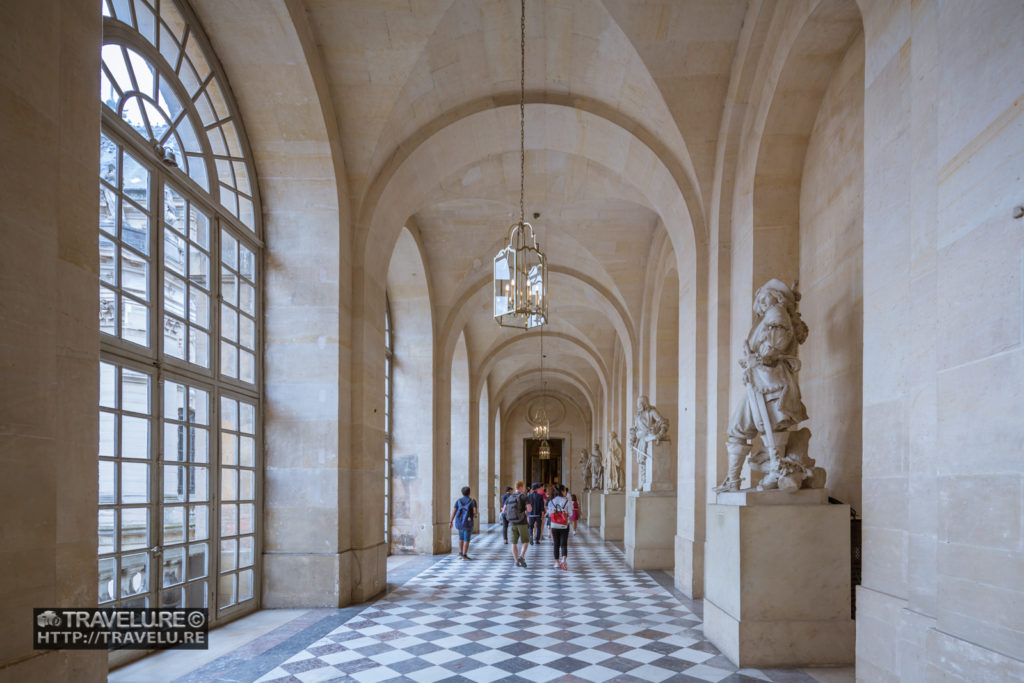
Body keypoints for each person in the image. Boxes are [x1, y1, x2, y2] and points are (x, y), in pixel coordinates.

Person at [713, 279, 810, 492]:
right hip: (758, 381)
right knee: (738, 428)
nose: (760, 301)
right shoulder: (768, 315)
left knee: (773, 425)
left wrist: (756, 359)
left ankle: (777, 469)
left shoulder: (777, 313)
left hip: (771, 382)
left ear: (776, 296)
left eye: (764, 296)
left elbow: (775, 346)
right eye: (760, 298)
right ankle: (733, 480)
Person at [628, 394, 670, 491]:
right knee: (642, 463)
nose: (639, 405)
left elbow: (663, 422)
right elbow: (634, 429)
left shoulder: (652, 412)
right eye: (638, 403)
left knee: (646, 461)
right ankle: (643, 482)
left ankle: (646, 482)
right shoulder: (637, 415)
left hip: (648, 438)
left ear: (644, 403)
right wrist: (631, 441)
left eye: (640, 403)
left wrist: (659, 434)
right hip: (641, 440)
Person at [502, 480, 531, 567]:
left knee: (513, 543)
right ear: (521, 487)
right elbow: (529, 509)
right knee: (525, 541)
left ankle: (516, 561)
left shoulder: (509, 497)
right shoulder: (524, 497)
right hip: (522, 522)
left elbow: (503, 511)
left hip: (512, 523)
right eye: (524, 487)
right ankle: (521, 556)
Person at [449, 486, 478, 560]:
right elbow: (475, 512)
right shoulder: (472, 500)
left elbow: (454, 512)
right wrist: (474, 515)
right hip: (468, 522)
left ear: (462, 493)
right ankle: (464, 555)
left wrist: (451, 521)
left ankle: (460, 553)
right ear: (469, 492)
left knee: (461, 537)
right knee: (466, 539)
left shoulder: (458, 501)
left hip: (459, 522)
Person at [547, 485, 572, 570]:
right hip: (564, 525)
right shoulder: (567, 501)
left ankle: (556, 562)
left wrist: (555, 512)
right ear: (562, 491)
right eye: (565, 491)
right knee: (564, 543)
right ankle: (563, 561)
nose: (566, 492)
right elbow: (570, 514)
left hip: (554, 525)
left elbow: (549, 514)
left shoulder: (551, 501)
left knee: (556, 544)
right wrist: (563, 513)